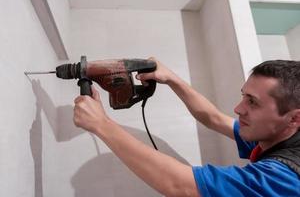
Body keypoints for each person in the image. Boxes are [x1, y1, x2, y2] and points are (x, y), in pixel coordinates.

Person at [73, 58, 300, 197]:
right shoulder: (276, 134)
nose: (238, 108)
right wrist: (172, 79)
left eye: (253, 102)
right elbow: (213, 118)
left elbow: (180, 186)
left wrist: (102, 125)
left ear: (293, 119)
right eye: (244, 96)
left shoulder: (285, 178)